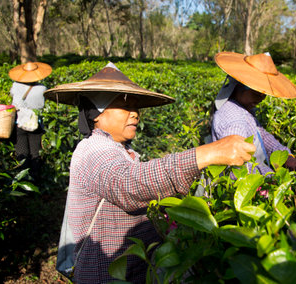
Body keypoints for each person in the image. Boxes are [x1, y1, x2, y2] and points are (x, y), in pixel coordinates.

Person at [44, 62, 256, 283]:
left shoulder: (119, 149)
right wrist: (204, 155)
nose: (135, 114)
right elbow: (127, 184)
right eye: (125, 107)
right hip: (105, 272)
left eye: (136, 107)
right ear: (96, 114)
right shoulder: (94, 151)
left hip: (131, 268)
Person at [210, 52, 296, 175]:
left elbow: (261, 135)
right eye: (256, 93)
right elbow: (239, 167)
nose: (261, 99)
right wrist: (272, 178)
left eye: (263, 95)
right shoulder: (233, 118)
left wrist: (285, 155)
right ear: (240, 87)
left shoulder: (245, 109)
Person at [9, 61, 52, 180]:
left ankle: (23, 179)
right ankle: (36, 178)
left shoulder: (15, 86)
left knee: (22, 152)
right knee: (35, 153)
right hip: (35, 124)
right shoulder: (42, 88)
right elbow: (42, 104)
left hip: (20, 123)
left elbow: (12, 96)